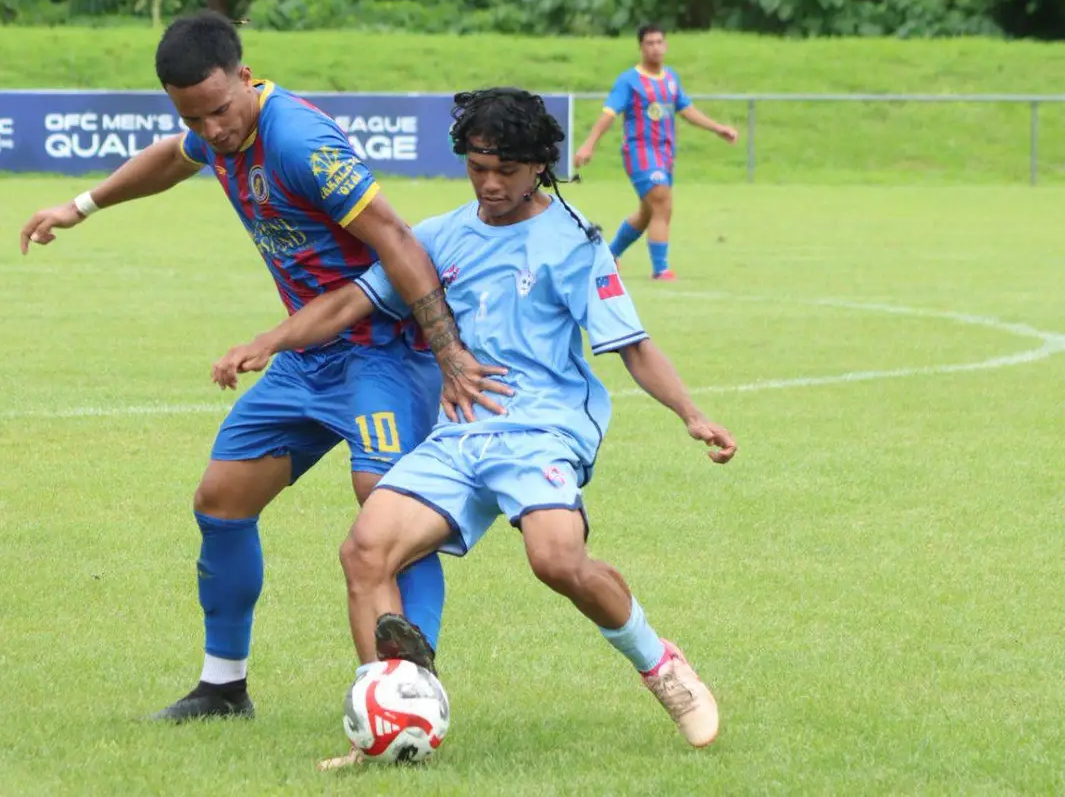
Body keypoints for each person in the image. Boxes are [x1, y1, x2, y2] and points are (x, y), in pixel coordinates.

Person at [212, 87, 738, 764]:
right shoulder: (440, 235)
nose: (490, 184)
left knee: (555, 558)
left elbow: (632, 344)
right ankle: (389, 723)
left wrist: (692, 414)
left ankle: (660, 662)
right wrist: (270, 339)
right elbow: (350, 300)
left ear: (539, 166)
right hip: (459, 433)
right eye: (478, 167)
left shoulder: (572, 241)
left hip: (542, 430)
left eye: (507, 170)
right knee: (365, 550)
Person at [18, 11, 507, 723]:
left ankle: (408, 695)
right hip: (306, 357)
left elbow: (399, 239)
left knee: (387, 510)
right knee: (221, 501)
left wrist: (447, 352)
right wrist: (80, 204)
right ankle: (223, 687)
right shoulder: (213, 129)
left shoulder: (300, 141)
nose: (212, 128)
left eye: (219, 109)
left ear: (245, 77)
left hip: (380, 351)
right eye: (195, 116)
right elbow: (172, 157)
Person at [573, 23, 738, 281]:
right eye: (649, 43)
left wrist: (718, 128)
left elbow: (686, 109)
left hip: (664, 155)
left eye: (659, 42)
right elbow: (609, 113)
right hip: (639, 153)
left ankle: (609, 255)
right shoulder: (629, 80)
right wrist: (589, 143)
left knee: (648, 212)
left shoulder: (670, 78)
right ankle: (660, 269)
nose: (655, 48)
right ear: (641, 47)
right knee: (662, 202)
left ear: (666, 45)